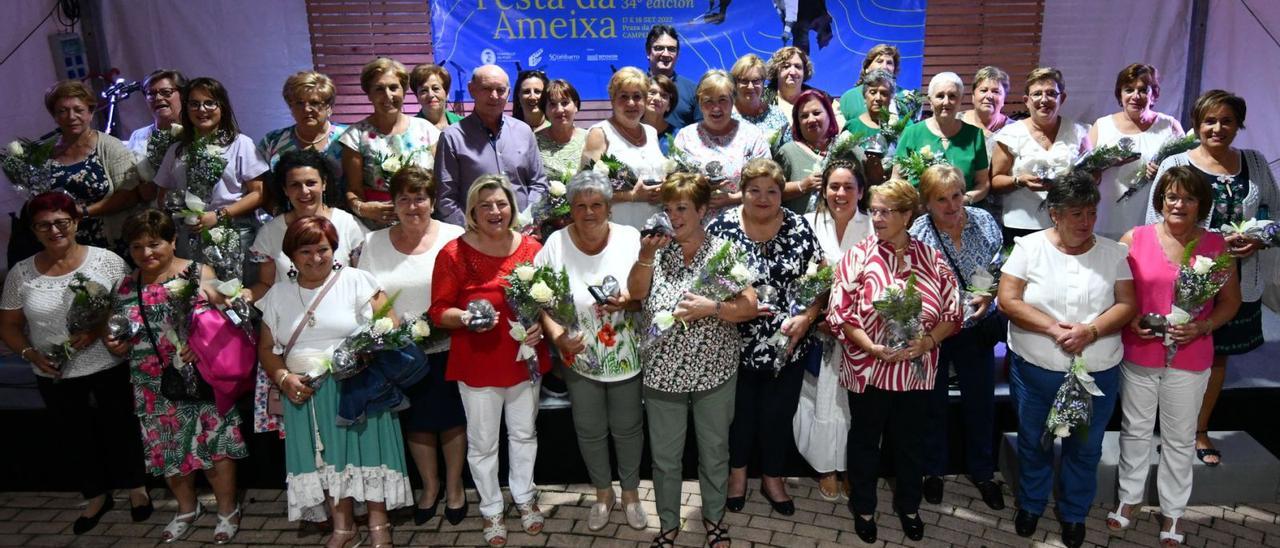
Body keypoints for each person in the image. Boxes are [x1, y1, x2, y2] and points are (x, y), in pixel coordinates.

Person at [998, 172, 1136, 548]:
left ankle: (1074, 513)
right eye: (1076, 213)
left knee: (1085, 448)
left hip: (1097, 374)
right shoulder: (1028, 248)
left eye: (1091, 213)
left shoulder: (1113, 253)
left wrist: (1089, 332)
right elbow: (1008, 300)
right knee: (1034, 442)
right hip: (1036, 372)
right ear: (1054, 214)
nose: (1086, 222)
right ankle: (1031, 503)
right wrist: (1053, 329)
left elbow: (1127, 304)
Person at [0, 192, 150, 535]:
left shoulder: (106, 261)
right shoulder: (21, 274)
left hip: (108, 362)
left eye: (61, 222)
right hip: (53, 369)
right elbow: (8, 326)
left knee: (121, 428)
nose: (54, 230)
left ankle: (136, 489)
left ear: (76, 223)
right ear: (33, 230)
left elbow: (130, 308)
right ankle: (96, 495)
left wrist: (100, 329)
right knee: (75, 435)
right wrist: (29, 354)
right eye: (43, 225)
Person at [256, 216, 411, 548]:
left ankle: (378, 524)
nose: (315, 258)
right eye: (306, 251)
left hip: (357, 388)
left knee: (368, 454)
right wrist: (283, 378)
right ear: (291, 256)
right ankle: (343, 527)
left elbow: (390, 325)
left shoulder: (357, 280)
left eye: (323, 249)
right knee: (324, 461)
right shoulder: (278, 294)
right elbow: (266, 348)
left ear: (334, 249)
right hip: (305, 393)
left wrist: (364, 354)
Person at [1145, 89, 1279, 468]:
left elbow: (1276, 215)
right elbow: (1154, 223)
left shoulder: (1253, 162)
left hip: (1240, 280)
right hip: (1184, 282)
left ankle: (1198, 430)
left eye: (1227, 121)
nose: (1217, 128)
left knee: (1216, 357)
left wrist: (1259, 240)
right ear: (1197, 124)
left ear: (1239, 125)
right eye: (1209, 120)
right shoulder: (1176, 161)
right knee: (1173, 355)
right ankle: (1161, 431)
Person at [1110, 166, 1241, 547]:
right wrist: (1131, 318)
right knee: (1134, 430)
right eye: (1171, 196)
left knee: (1181, 438)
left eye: (1188, 197)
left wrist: (1203, 326)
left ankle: (1173, 512)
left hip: (1191, 354)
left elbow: (1230, 303)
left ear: (1201, 204)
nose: (1178, 204)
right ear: (1160, 200)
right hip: (1140, 352)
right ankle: (1129, 500)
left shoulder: (1216, 245)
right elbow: (1115, 290)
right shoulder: (1135, 238)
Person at [627, 172, 759, 548]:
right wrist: (645, 256)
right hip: (662, 374)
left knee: (714, 453)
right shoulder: (657, 249)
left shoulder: (723, 251)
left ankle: (714, 520)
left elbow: (748, 306)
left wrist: (713, 307)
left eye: (682, 208)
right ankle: (668, 524)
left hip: (713, 372)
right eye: (668, 209)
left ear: (702, 210)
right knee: (666, 458)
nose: (674, 216)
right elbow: (636, 294)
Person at [828, 179, 961, 543]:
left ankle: (909, 507)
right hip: (869, 369)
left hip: (915, 372)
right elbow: (839, 315)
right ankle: (865, 507)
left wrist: (928, 341)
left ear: (907, 214)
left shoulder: (932, 259)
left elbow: (953, 310)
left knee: (910, 442)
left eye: (887, 211)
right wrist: (870, 346)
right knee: (865, 440)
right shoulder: (857, 256)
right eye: (875, 210)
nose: (878, 217)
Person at [106, 210, 248, 544]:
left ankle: (227, 510)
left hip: (199, 377)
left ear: (172, 240)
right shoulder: (126, 285)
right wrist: (114, 342)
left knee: (215, 448)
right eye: (137, 247)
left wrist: (203, 346)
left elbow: (230, 318)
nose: (146, 253)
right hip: (151, 382)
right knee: (169, 451)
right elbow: (118, 335)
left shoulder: (197, 273)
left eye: (154, 244)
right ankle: (186, 508)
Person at [428, 175, 551, 547]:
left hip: (523, 359)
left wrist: (541, 330)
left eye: (501, 204)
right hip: (478, 364)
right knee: (483, 444)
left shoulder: (532, 247)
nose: (495, 212)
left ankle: (525, 498)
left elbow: (549, 302)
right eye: (486, 206)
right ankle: (491, 509)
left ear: (512, 208)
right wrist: (464, 318)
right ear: (472, 212)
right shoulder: (453, 253)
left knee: (524, 434)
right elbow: (438, 311)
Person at [532, 171, 648, 532]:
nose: (588, 212)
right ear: (570, 209)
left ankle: (630, 494)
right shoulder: (554, 243)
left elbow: (645, 293)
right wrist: (556, 337)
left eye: (596, 204)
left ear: (609, 207)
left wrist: (629, 301)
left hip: (626, 353)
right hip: (578, 356)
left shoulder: (630, 239)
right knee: (589, 429)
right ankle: (603, 494)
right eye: (580, 205)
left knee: (628, 428)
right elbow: (541, 300)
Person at [356, 166, 468, 526]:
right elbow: (369, 291)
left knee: (451, 420)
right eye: (403, 198)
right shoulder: (374, 243)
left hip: (449, 345)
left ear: (432, 201)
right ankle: (430, 487)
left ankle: (454, 487)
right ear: (393, 203)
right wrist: (392, 324)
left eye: (419, 197)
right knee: (417, 421)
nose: (412, 205)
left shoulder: (454, 236)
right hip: (402, 352)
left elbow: (467, 287)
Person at [707, 158, 820, 516]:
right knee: (738, 417)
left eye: (771, 191)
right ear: (742, 192)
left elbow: (821, 283)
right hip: (732, 344)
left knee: (777, 414)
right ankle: (737, 476)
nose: (763, 197)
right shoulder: (722, 227)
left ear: (781, 194)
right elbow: (706, 281)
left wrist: (806, 318)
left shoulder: (800, 227)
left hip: (788, 345)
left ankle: (773, 478)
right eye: (754, 190)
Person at [906, 165, 1004, 509]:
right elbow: (915, 281)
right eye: (941, 200)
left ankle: (983, 472)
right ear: (927, 203)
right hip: (938, 330)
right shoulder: (919, 232)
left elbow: (995, 263)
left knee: (981, 403)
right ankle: (933, 471)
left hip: (977, 326)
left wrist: (985, 294)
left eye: (957, 196)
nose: (952, 206)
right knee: (932, 405)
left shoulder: (983, 220)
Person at [794, 159, 870, 500]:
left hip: (859, 333)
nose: (840, 194)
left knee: (851, 405)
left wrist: (849, 319)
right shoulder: (807, 223)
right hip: (818, 329)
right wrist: (816, 315)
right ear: (823, 190)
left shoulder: (872, 225)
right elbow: (796, 278)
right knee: (820, 400)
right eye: (834, 187)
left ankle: (851, 466)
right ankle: (825, 467)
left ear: (861, 191)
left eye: (848, 187)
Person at [153, 77, 269, 284]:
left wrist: (219, 215)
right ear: (186, 109)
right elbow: (162, 195)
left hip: (235, 234)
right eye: (194, 104)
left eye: (209, 103)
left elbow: (258, 193)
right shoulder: (177, 149)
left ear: (221, 106)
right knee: (199, 302)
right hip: (190, 239)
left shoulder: (240, 144)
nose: (202, 109)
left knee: (237, 299)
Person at [249, 150, 365, 321]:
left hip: (344, 322)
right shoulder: (270, 232)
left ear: (324, 184)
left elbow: (363, 281)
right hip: (292, 324)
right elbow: (266, 285)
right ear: (285, 190)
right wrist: (244, 295)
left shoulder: (348, 224)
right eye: (295, 185)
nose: (304, 191)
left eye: (311, 183)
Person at [33, 80, 140, 254]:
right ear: (54, 116)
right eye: (62, 111)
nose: (71, 116)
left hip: (112, 244)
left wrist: (83, 212)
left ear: (90, 113)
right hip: (66, 247)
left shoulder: (110, 146)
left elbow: (129, 195)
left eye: (78, 110)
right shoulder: (47, 154)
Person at [434, 65, 548, 227]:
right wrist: (472, 231)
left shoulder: (524, 131)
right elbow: (446, 199)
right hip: (474, 238)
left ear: (508, 93)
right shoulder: (452, 137)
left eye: (500, 90)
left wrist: (527, 220)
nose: (494, 96)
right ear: (471, 89)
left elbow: (539, 184)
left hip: (523, 235)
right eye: (486, 89)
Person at [990, 67, 1091, 243]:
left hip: (1068, 224)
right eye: (1037, 94)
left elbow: (1093, 177)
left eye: (1051, 93)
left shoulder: (1079, 133)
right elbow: (996, 181)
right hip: (1020, 224)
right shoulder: (1009, 135)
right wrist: (1019, 181)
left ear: (1062, 98)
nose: (1044, 100)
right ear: (1026, 101)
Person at [340, 57, 441, 228]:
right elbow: (353, 191)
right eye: (379, 89)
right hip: (378, 226)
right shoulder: (355, 136)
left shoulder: (427, 130)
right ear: (369, 94)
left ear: (404, 90)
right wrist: (363, 209)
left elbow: (440, 182)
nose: (388, 95)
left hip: (423, 222)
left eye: (394, 88)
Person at [1091, 64, 1184, 240]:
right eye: (1129, 89)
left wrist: (1164, 173)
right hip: (1106, 218)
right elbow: (1084, 177)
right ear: (1120, 94)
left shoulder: (1169, 126)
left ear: (1153, 94)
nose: (1135, 96)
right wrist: (1104, 163)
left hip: (1153, 219)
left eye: (1143, 90)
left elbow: (1187, 174)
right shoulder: (1101, 126)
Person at [671, 70, 771, 211]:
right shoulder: (685, 137)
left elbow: (767, 182)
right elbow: (674, 185)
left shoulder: (752, 135)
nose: (716, 108)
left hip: (744, 222)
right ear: (699, 103)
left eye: (722, 99)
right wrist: (698, 187)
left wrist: (733, 199)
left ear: (733, 101)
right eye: (708, 101)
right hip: (695, 226)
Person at [582, 67, 668, 229]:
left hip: (654, 230)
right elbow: (585, 190)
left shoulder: (651, 132)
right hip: (616, 230)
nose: (631, 103)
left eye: (637, 96)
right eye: (624, 96)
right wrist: (632, 196)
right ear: (612, 100)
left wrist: (664, 189)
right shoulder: (599, 134)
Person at [893, 72, 990, 205]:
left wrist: (964, 200)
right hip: (920, 212)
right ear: (930, 100)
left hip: (961, 212)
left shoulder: (974, 135)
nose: (946, 102)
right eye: (940, 96)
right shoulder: (911, 133)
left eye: (952, 96)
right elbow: (897, 180)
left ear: (961, 100)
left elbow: (983, 184)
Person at [258, 71, 348, 209]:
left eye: (314, 102)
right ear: (291, 107)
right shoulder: (272, 141)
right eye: (299, 103)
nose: (306, 109)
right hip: (289, 221)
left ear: (329, 107)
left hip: (341, 220)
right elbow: (262, 190)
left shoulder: (348, 137)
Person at [775, 90, 853, 214]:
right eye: (804, 116)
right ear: (798, 122)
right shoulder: (787, 152)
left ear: (829, 114)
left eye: (816, 113)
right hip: (801, 229)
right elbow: (773, 192)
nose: (811, 120)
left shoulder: (848, 146)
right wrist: (802, 186)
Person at [127, 69, 186, 185]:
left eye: (166, 92)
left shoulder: (194, 133)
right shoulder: (138, 136)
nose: (158, 98)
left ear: (183, 95)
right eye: (151, 94)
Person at [834, 44, 907, 127]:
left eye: (889, 63)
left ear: (894, 70)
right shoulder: (849, 97)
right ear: (867, 68)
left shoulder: (905, 97)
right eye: (879, 61)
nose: (884, 66)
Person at [645, 24, 701, 130]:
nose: (666, 54)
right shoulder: (636, 87)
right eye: (659, 48)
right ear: (648, 52)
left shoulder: (693, 91)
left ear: (678, 54)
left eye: (671, 49)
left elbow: (702, 131)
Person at [730, 54, 791, 146]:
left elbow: (790, 149)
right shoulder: (726, 117)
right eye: (744, 81)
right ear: (735, 83)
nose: (750, 87)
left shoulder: (777, 114)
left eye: (756, 81)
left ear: (763, 83)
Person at [533, 79, 588, 181]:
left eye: (565, 103)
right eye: (552, 104)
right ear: (545, 109)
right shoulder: (533, 141)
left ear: (575, 105)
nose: (559, 110)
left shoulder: (590, 139)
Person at [958, 66, 1012, 152]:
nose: (989, 96)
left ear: (1004, 99)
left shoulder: (1015, 130)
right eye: (983, 90)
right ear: (973, 96)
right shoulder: (955, 122)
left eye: (995, 92)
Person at [411, 63, 464, 131]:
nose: (431, 95)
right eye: (424, 90)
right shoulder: (411, 128)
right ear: (417, 96)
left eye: (435, 88)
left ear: (446, 93)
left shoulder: (464, 124)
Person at [766, 46, 815, 117]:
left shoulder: (820, 99)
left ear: (804, 72)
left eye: (797, 67)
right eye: (786, 66)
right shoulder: (761, 98)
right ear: (776, 70)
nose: (792, 72)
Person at [644, 73, 679, 155]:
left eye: (664, 96)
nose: (657, 98)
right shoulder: (628, 130)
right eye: (652, 92)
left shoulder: (679, 136)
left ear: (669, 106)